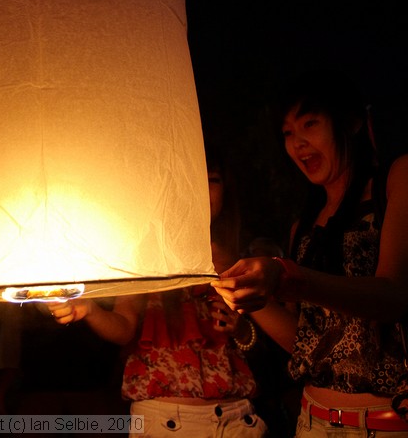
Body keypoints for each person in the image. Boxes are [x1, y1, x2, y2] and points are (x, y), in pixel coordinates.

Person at [211, 69, 408, 436]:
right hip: (312, 421)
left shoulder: (404, 176)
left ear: (351, 122)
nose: (298, 143)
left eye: (310, 124)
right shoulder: (304, 226)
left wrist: (286, 276)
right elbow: (304, 341)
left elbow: (393, 295)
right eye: (288, 133)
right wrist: (235, 281)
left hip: (389, 425)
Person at [48, 144, 269, 437]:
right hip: (167, 421)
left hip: (237, 420)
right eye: (192, 179)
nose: (201, 191)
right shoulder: (145, 254)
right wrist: (89, 310)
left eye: (212, 180)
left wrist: (241, 330)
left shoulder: (238, 259)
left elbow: (274, 343)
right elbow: (124, 327)